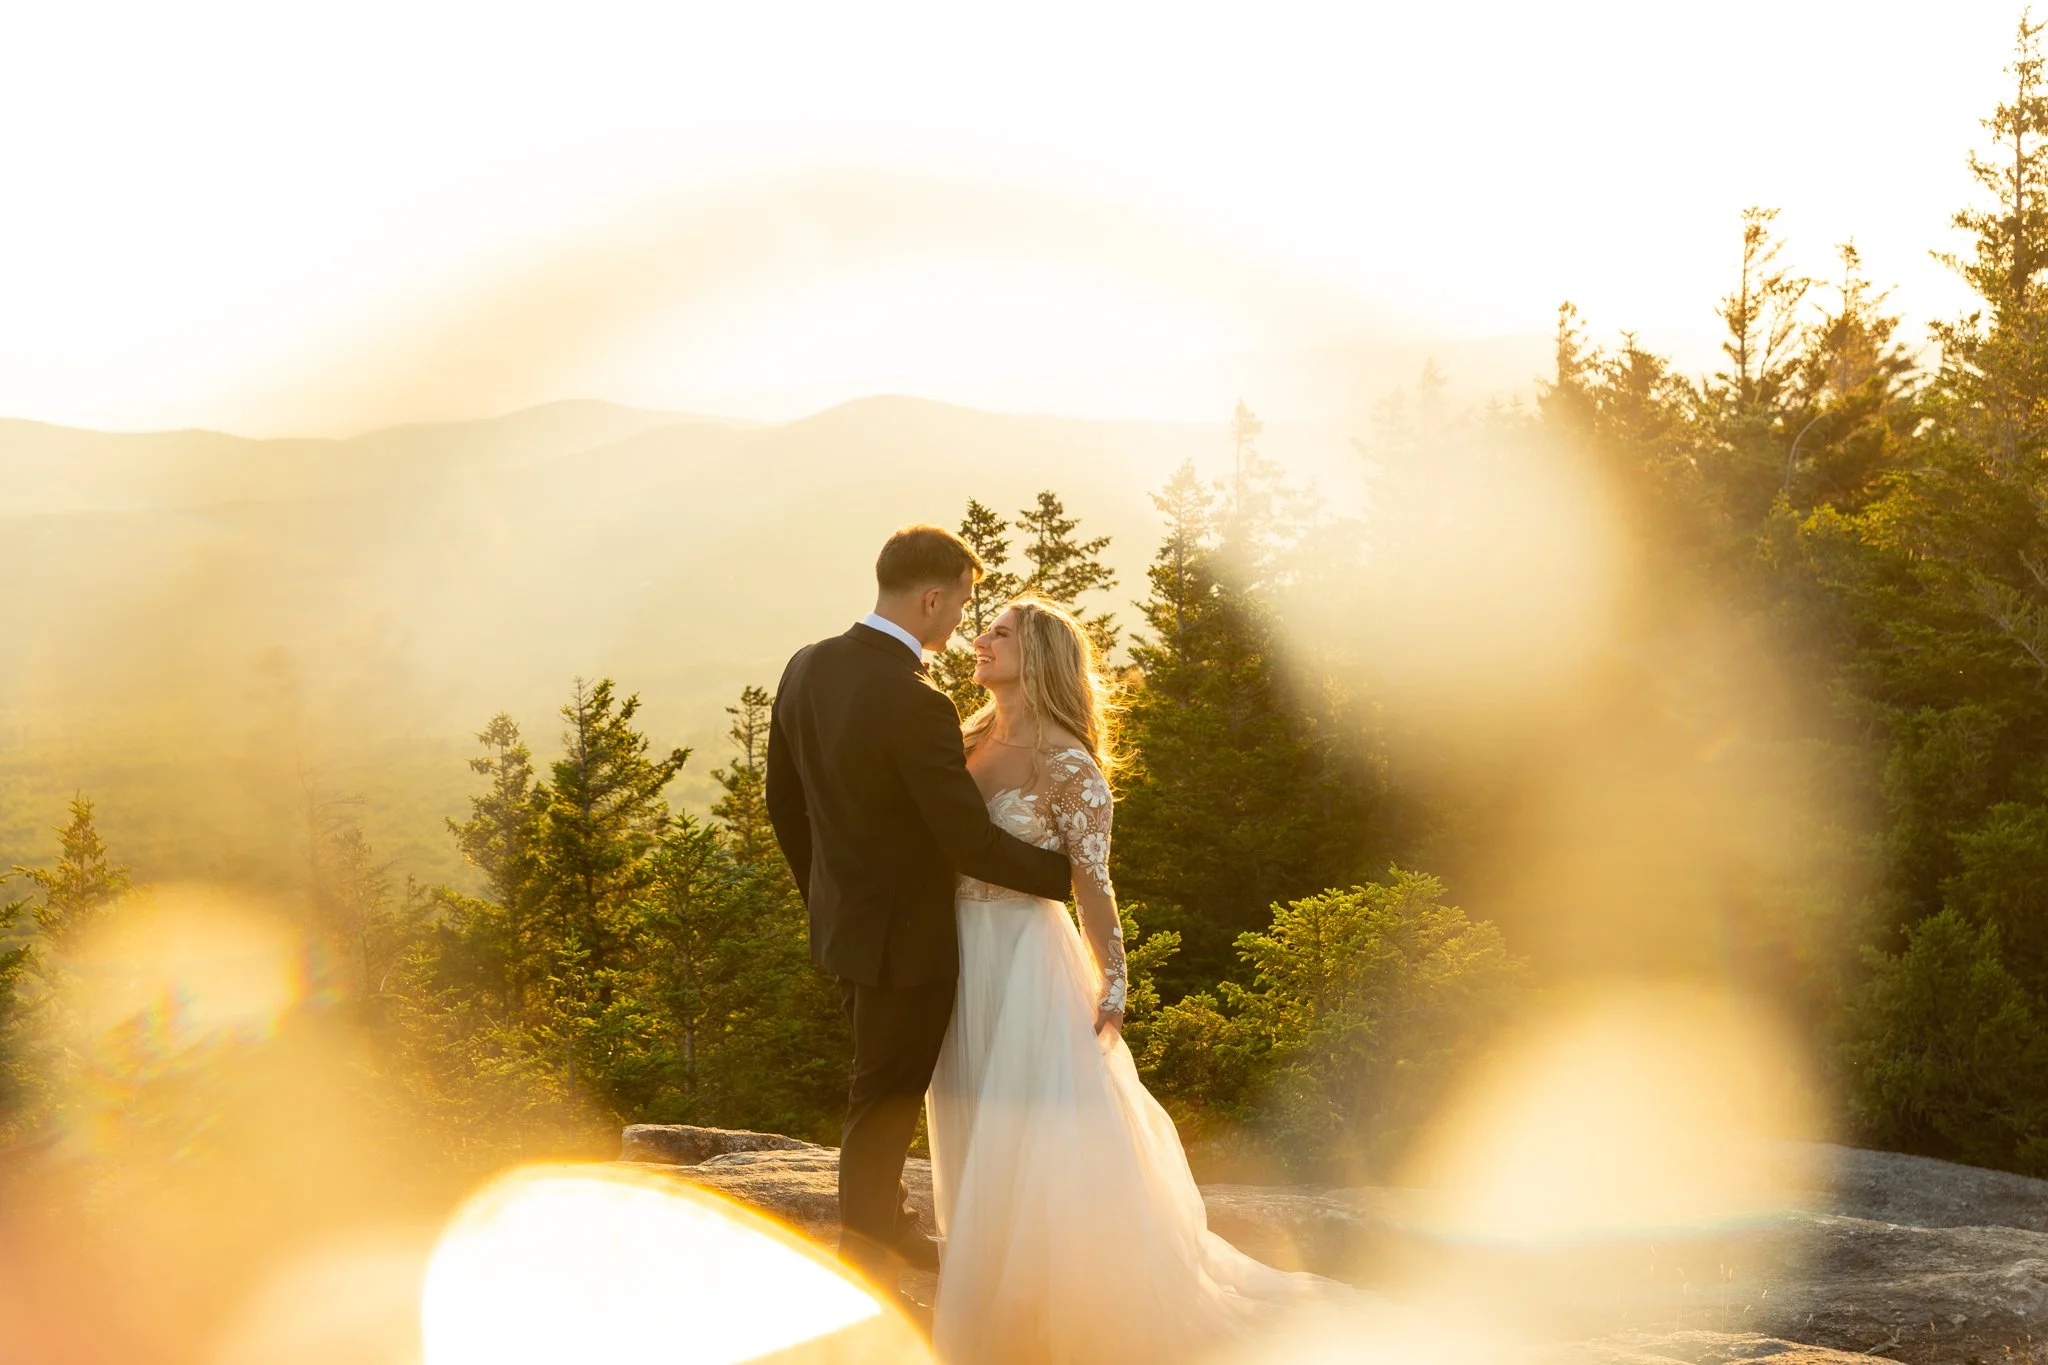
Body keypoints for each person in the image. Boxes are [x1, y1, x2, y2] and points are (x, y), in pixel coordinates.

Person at [926, 594, 1329, 1363]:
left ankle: (1038, 1318)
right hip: (955, 956)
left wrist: (1114, 975)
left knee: (1031, 1135)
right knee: (969, 1125)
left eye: (1000, 632)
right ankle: (981, 1299)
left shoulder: (1068, 762)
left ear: (1038, 655)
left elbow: (1091, 879)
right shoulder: (962, 737)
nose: (980, 639)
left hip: (1023, 960)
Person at [764, 526, 1073, 1311]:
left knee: (880, 1085)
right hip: (909, 942)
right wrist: (1067, 872)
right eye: (964, 601)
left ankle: (889, 1224)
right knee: (885, 1097)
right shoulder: (917, 701)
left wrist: (826, 896)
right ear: (932, 597)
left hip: (846, 929)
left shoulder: (806, 666)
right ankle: (867, 1256)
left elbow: (782, 802)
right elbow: (965, 838)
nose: (964, 621)